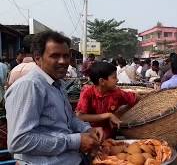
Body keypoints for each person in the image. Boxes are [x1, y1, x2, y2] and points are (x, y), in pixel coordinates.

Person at [5, 31, 103, 164]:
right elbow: (19, 141)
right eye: (55, 56)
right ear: (38, 58)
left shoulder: (56, 83)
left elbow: (69, 119)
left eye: (66, 56)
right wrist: (75, 141)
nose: (63, 61)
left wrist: (87, 129)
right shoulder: (30, 86)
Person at [76, 62, 139, 138]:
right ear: (102, 81)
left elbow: (136, 98)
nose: (117, 80)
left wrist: (119, 113)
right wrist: (108, 115)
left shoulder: (117, 93)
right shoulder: (87, 92)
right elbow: (80, 116)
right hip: (90, 134)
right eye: (114, 77)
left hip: (109, 135)